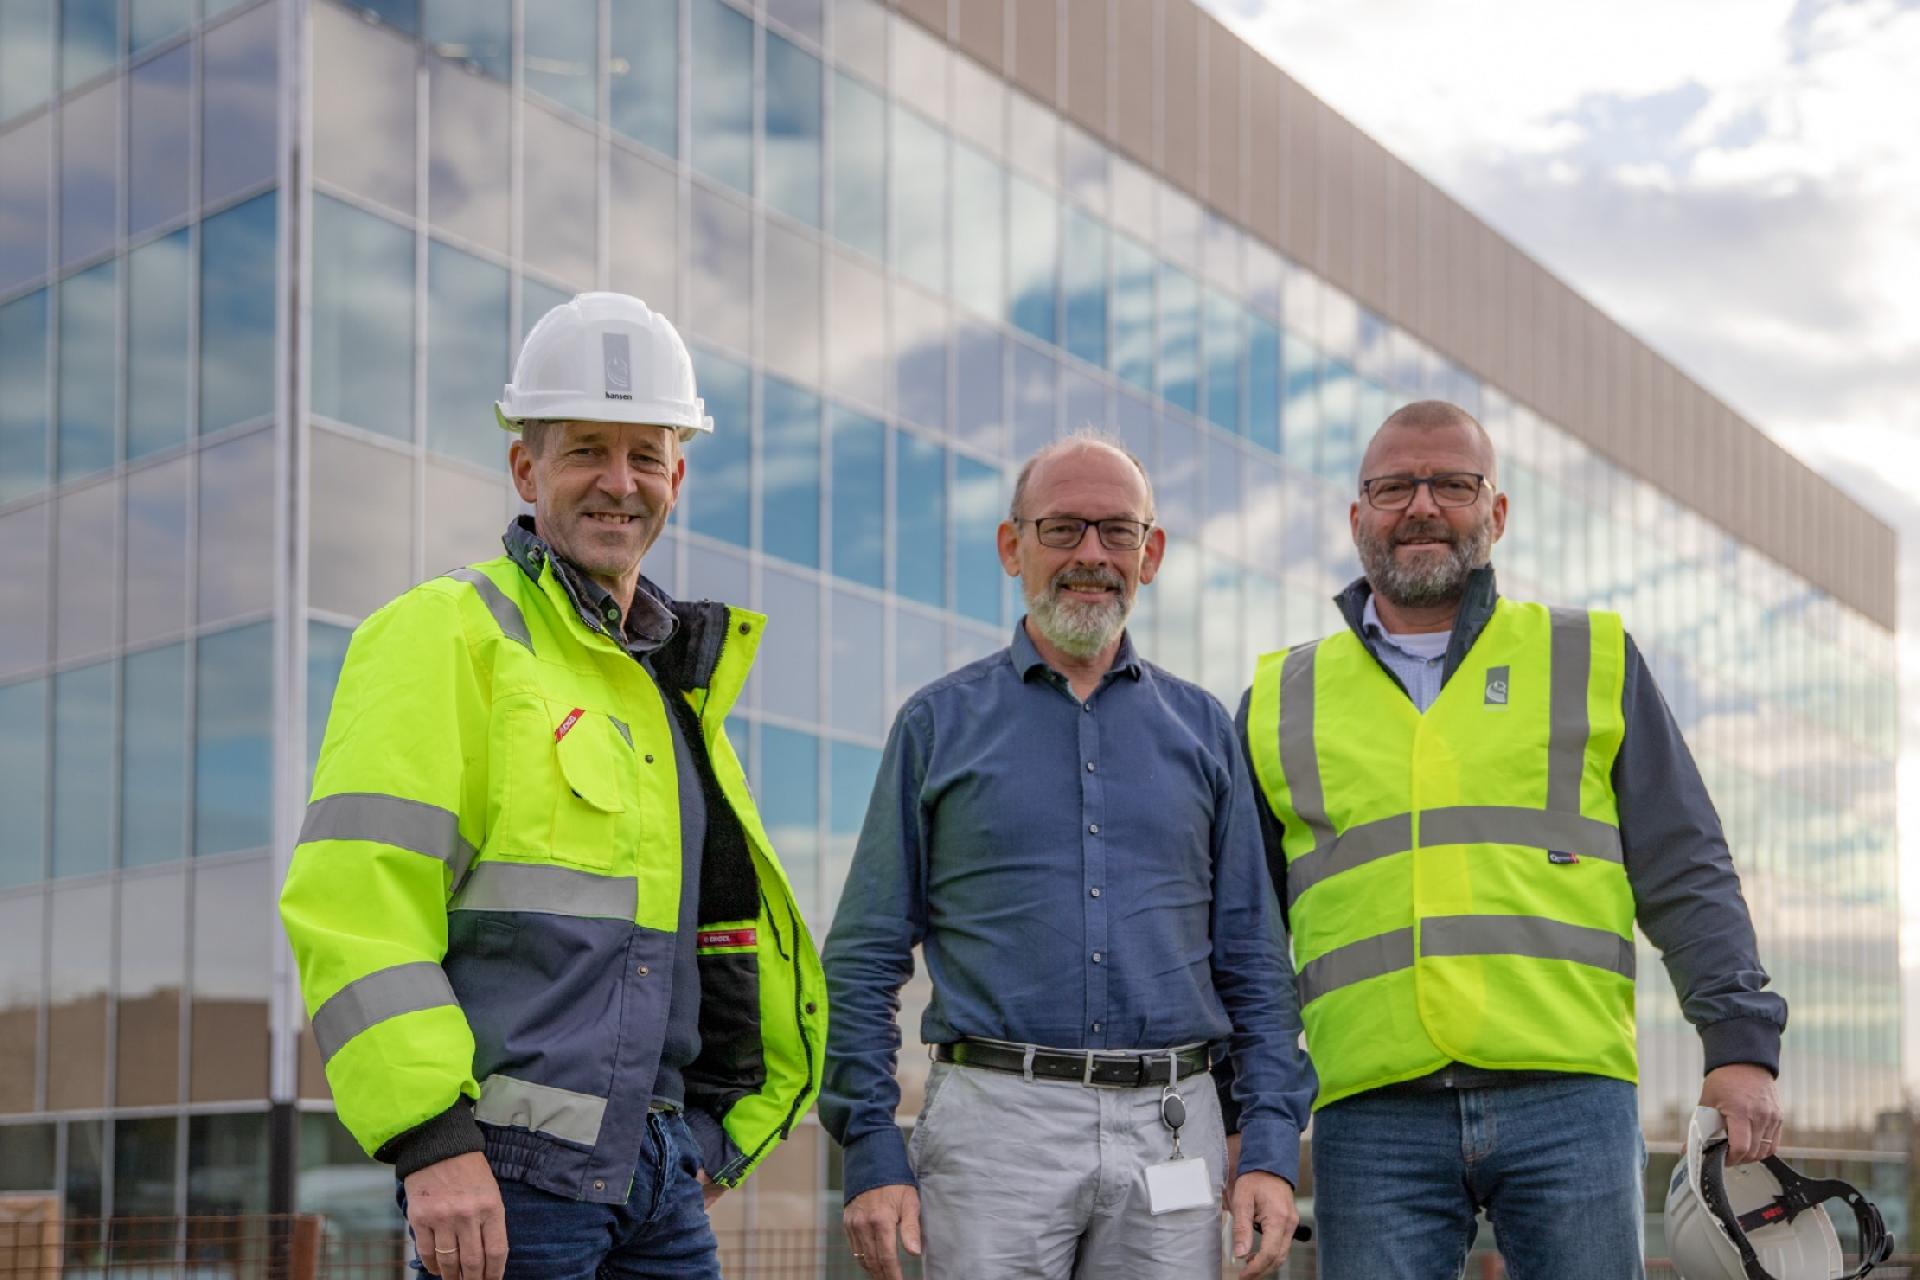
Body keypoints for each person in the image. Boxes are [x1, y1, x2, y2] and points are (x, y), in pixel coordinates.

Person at [280, 293, 826, 1280]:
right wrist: (429, 1138)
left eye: (645, 455)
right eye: (585, 450)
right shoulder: (449, 633)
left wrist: (710, 1128)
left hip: (658, 1170)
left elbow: (701, 932)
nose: (619, 483)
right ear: (526, 469)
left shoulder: (667, 688)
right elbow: (357, 902)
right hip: (508, 1177)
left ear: (679, 477)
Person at [1239, 399, 1787, 1279]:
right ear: (1357, 518)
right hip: (1370, 1110)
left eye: (1452, 483)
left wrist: (1741, 1046)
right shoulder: (1279, 696)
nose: (1421, 506)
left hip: (1568, 1096)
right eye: (1392, 487)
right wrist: (1254, 1112)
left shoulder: (1588, 656)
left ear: (1497, 512)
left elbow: (1686, 866)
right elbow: (1247, 939)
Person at [821, 431, 1316, 1280]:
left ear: (1150, 554)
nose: (1092, 554)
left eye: (1117, 532)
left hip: (1175, 1120)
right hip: (993, 1130)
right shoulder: (937, 726)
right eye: (1063, 530)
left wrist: (1267, 1139)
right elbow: (864, 955)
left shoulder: (1203, 734)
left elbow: (1254, 962)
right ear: (1014, 546)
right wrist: (870, 1141)